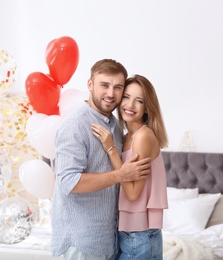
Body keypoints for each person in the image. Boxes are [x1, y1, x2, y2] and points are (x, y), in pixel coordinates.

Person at [51, 59, 151, 260]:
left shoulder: (114, 125)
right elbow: (68, 182)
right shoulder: (76, 125)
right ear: (90, 85)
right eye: (104, 85)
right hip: (81, 242)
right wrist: (120, 175)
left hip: (108, 240)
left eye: (117, 87)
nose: (111, 93)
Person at [91, 74, 168, 260]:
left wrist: (111, 149)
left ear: (147, 107)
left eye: (139, 100)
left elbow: (133, 194)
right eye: (126, 97)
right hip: (128, 233)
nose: (130, 105)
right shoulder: (126, 137)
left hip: (140, 236)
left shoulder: (143, 137)